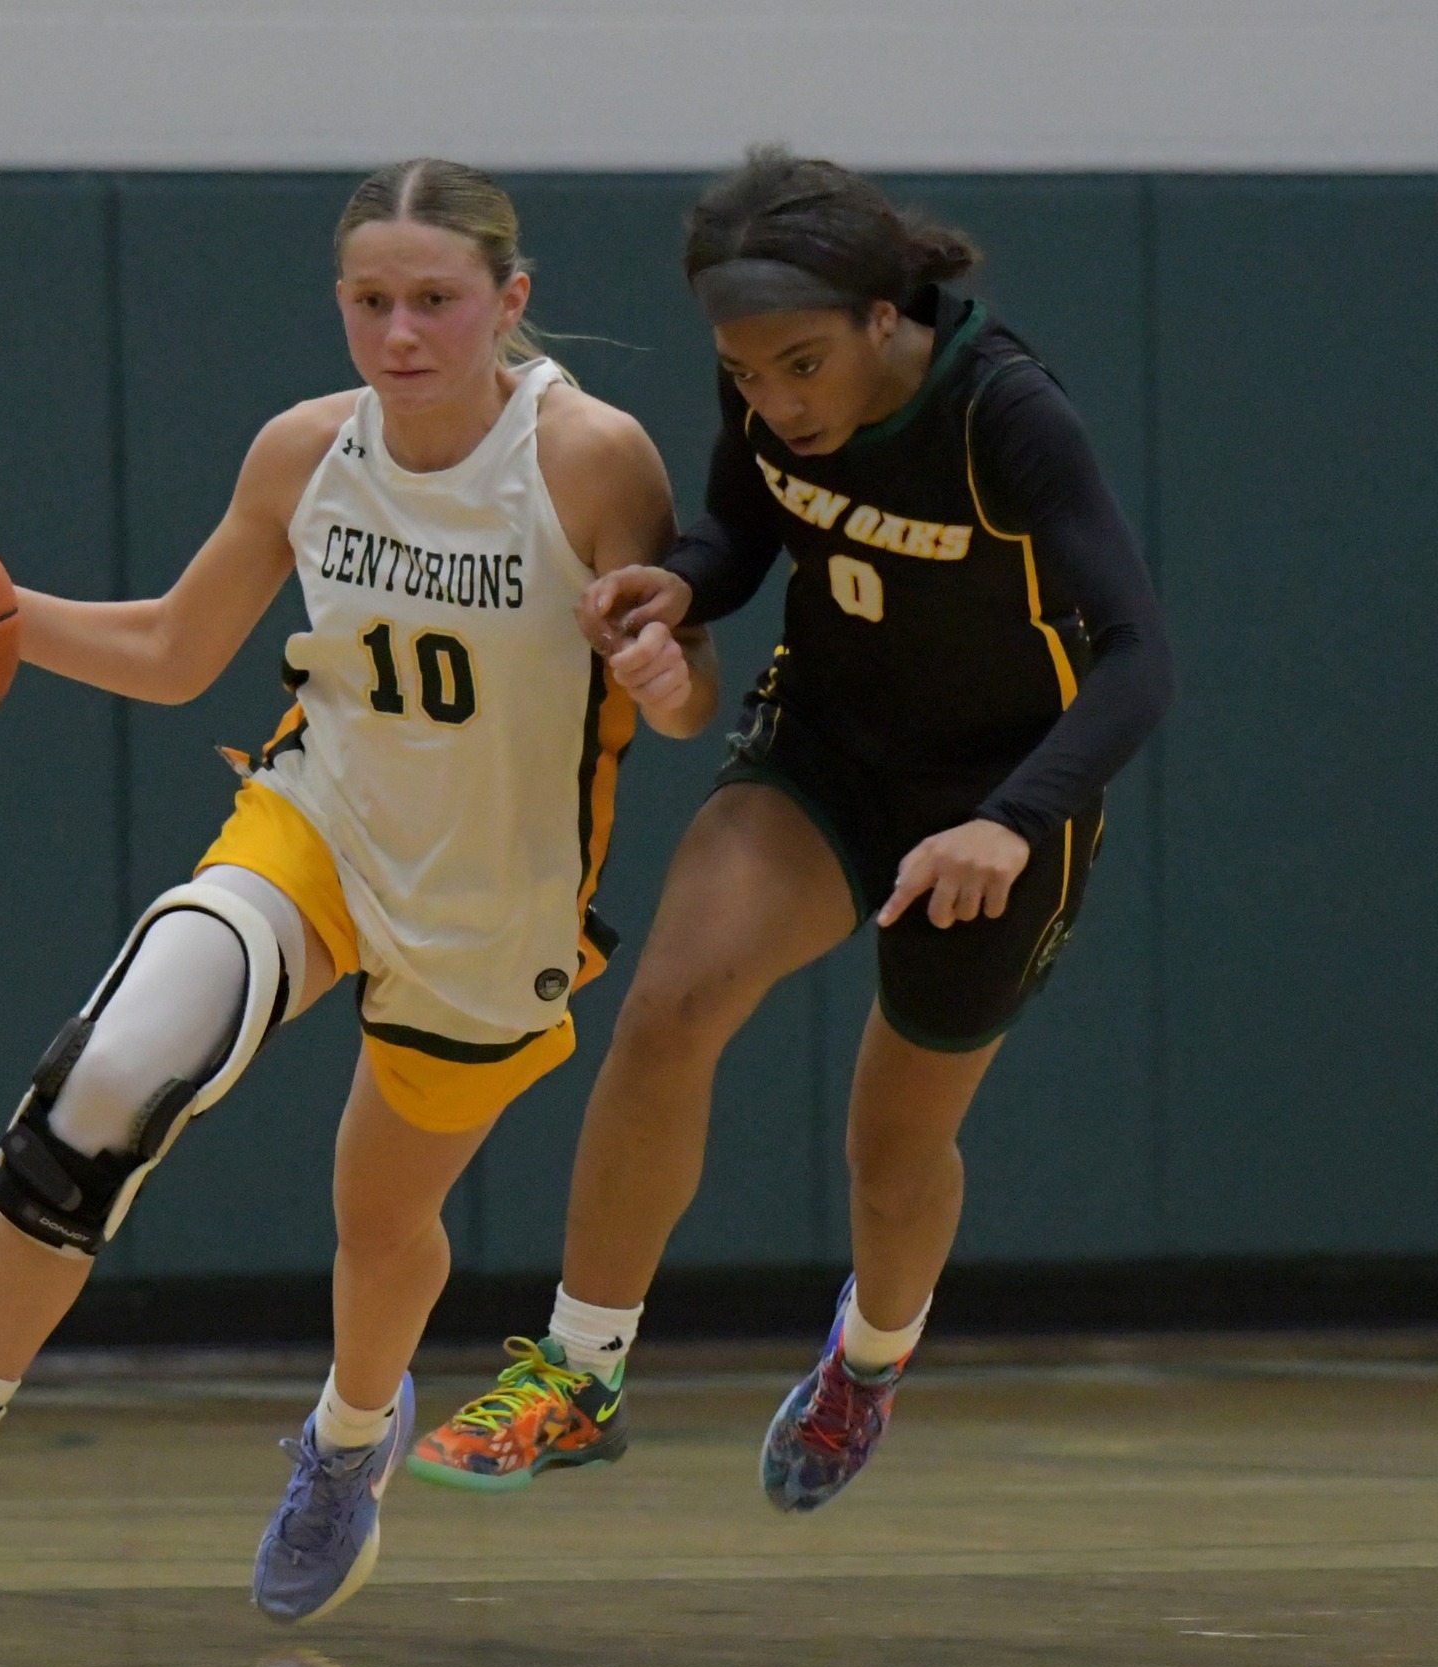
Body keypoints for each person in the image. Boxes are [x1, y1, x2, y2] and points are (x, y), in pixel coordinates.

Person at [0, 159, 716, 1623]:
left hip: (491, 899)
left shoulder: (591, 458)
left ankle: (349, 1444)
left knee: (380, 1221)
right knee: (107, 1076)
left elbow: (686, 691)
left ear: (508, 299)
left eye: (436, 299)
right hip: (315, 826)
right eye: (371, 300)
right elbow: (171, 650)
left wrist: (664, 673)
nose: (401, 331)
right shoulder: (304, 451)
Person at [410, 147, 1174, 1507]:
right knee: (669, 1008)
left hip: (999, 796)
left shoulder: (1004, 414)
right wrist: (680, 583)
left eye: (803, 366)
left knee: (892, 1153)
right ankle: (580, 1375)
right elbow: (744, 527)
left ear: (885, 316)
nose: (777, 398)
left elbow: (1138, 659)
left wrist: (1010, 824)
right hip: (826, 746)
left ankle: (866, 1362)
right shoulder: (765, 381)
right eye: (747, 372)